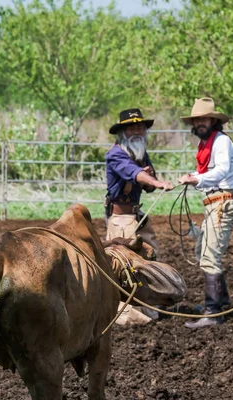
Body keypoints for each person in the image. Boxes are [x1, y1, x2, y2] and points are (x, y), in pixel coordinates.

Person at [178, 97, 233, 329]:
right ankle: (221, 301)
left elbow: (222, 170)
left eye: (204, 118)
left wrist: (197, 178)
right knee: (202, 250)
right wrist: (194, 176)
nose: (200, 123)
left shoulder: (221, 142)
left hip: (222, 203)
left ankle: (213, 311)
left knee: (209, 255)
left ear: (213, 121)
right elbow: (209, 171)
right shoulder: (208, 144)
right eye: (197, 120)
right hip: (215, 203)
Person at [105, 108, 174, 324]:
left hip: (137, 215)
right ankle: (126, 313)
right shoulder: (115, 154)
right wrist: (156, 181)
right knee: (125, 267)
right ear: (123, 132)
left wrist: (152, 180)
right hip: (122, 220)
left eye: (139, 126)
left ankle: (147, 307)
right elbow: (134, 173)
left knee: (149, 259)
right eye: (131, 127)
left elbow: (147, 184)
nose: (136, 130)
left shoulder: (141, 153)